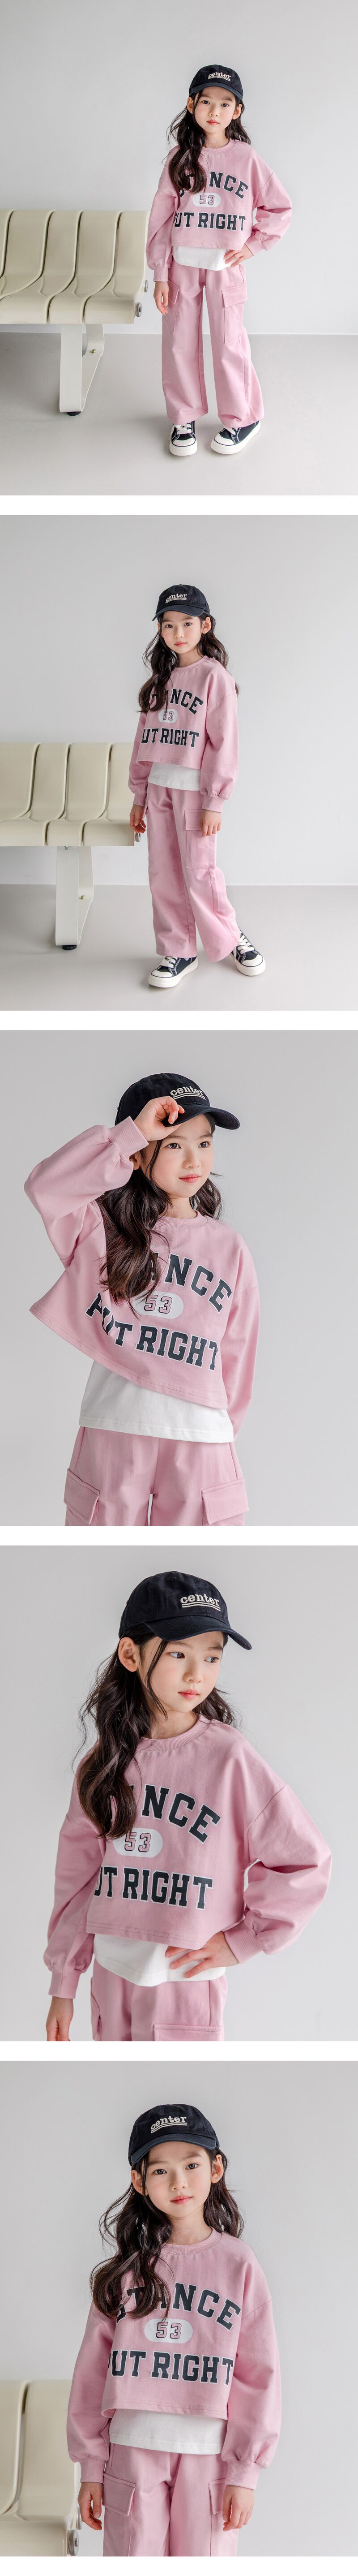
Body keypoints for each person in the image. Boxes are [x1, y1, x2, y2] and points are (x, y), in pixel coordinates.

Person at [45, 1569, 332, 2044]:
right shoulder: (104, 1763)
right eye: (179, 1653)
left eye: (212, 1657)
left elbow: (304, 1860)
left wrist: (243, 1941)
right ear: (131, 1654)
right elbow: (77, 1881)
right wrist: (64, 1982)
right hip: (110, 1974)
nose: (198, 1674)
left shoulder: (229, 1758)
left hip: (185, 1978)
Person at [25, 1072, 260, 1528]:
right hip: (116, 1424)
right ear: (139, 1152)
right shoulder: (101, 1231)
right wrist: (128, 1136)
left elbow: (238, 1351)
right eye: (173, 1144)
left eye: (204, 1143)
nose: (193, 1159)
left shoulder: (230, 1247)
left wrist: (221, 1431)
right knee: (101, 1551)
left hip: (201, 1436)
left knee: (199, 1551)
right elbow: (45, 1188)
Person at [67, 2098, 282, 2555]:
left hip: (208, 2452)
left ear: (216, 2168)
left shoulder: (239, 2264)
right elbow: (91, 2372)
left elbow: (258, 2374)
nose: (179, 2181)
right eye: (161, 2170)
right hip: (131, 2447)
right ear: (139, 2181)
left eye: (191, 2164)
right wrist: (90, 2466)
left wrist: (245, 2472)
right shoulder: (125, 2271)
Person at [146, 61, 291, 457]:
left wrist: (253, 246)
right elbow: (161, 221)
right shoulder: (180, 158)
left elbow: (279, 208)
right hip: (181, 268)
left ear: (237, 111)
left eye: (226, 104)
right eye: (207, 101)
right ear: (191, 105)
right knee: (179, 343)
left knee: (230, 344)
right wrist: (160, 274)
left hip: (225, 268)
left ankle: (244, 417)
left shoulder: (247, 159)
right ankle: (184, 417)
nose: (215, 111)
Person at [129, 582, 265, 987]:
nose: (178, 633)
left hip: (194, 794)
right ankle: (179, 950)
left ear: (205, 625)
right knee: (164, 874)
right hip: (159, 792)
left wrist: (215, 801)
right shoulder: (159, 681)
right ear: (160, 629)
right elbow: (143, 742)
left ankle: (231, 936)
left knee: (201, 872)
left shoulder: (214, 677)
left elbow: (224, 743)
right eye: (169, 625)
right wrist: (139, 796)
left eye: (187, 623)